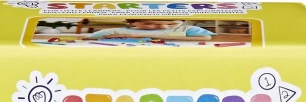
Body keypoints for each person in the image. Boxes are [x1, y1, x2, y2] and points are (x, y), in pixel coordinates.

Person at [84, 19, 214, 40]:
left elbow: (207, 38)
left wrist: (138, 36)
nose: (163, 27)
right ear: (131, 23)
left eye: (171, 23)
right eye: (150, 24)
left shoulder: (186, 29)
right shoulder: (116, 32)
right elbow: (85, 40)